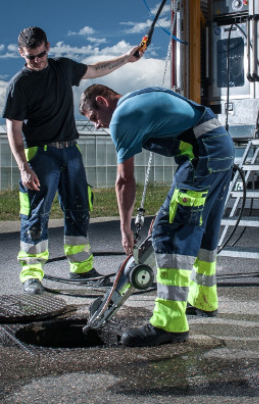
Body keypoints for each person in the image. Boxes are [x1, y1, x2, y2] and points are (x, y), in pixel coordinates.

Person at [79, 84, 234, 347]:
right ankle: (204, 300)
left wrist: (125, 227)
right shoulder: (138, 97)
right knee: (202, 228)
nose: (96, 126)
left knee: (169, 231)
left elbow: (124, 181)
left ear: (102, 101)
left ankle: (169, 323)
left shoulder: (121, 118)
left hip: (202, 156)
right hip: (219, 148)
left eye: (94, 119)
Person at [3, 26, 142, 295]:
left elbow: (96, 69)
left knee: (79, 208)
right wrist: (24, 167)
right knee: (36, 213)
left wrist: (126, 58)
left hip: (70, 152)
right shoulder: (19, 84)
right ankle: (32, 274)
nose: (38, 60)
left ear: (48, 47)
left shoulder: (63, 68)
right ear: (22, 53)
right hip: (40, 155)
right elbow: (14, 128)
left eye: (41, 54)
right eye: (32, 57)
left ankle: (81, 269)